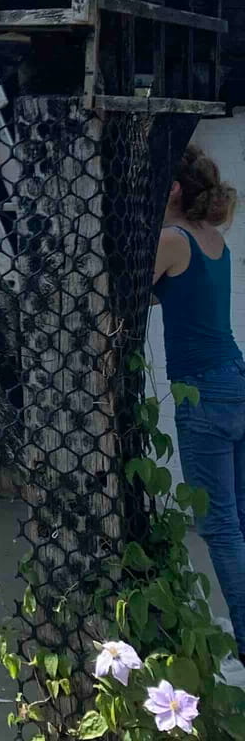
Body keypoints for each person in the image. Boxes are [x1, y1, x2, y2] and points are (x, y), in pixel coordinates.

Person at [153, 146, 245, 663]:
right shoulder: (213, 238)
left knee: (220, 528)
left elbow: (127, 288)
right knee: (241, 520)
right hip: (235, 377)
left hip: (203, 391)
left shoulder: (172, 238)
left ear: (172, 189)